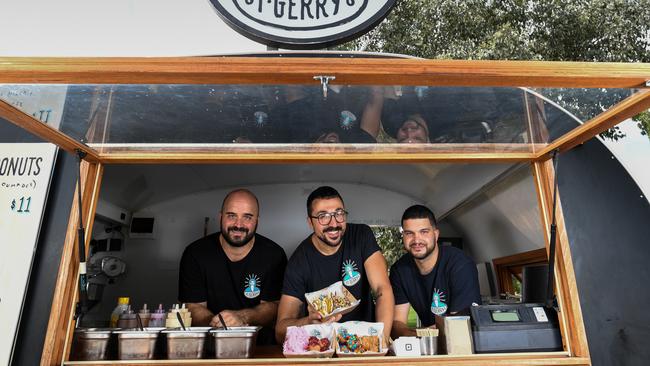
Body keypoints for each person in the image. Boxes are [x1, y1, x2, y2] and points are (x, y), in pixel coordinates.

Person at [276, 186, 394, 344]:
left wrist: (381, 342)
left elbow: (382, 289)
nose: (334, 223)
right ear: (310, 222)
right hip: (323, 347)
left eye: (339, 213)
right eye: (323, 216)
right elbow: (280, 330)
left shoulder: (361, 236)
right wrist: (308, 322)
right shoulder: (299, 261)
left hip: (366, 341)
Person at [178, 189, 287, 344]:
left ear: (257, 221)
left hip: (260, 345)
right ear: (221, 217)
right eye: (231, 216)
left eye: (247, 217)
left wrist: (241, 317)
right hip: (210, 345)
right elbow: (193, 306)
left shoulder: (274, 255)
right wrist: (219, 323)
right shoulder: (195, 253)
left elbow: (274, 307)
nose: (238, 224)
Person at [390, 205, 481, 337]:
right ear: (403, 236)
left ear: (436, 235)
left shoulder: (460, 264)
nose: (416, 240)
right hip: (430, 345)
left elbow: (457, 326)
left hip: (466, 345)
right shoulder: (399, 270)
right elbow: (397, 324)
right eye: (409, 233)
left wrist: (418, 334)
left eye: (424, 232)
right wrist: (418, 335)